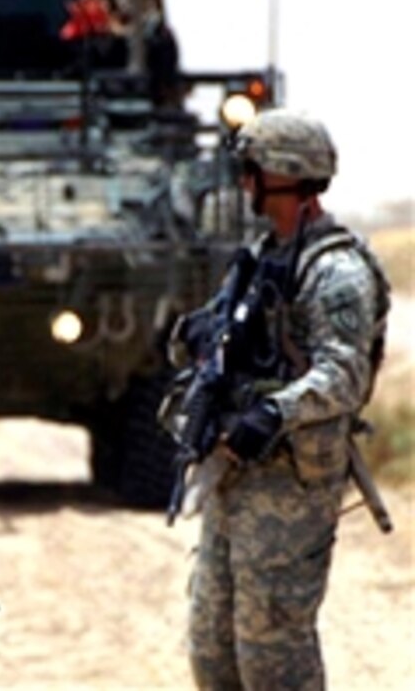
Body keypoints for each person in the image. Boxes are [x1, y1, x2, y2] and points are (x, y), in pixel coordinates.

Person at [166, 108, 391, 689]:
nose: (244, 183)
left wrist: (274, 411)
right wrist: (190, 341)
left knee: (273, 656)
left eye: (251, 170)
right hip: (234, 476)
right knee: (213, 651)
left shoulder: (336, 271)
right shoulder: (259, 260)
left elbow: (344, 375)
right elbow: (219, 341)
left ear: (285, 175)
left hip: (291, 483)